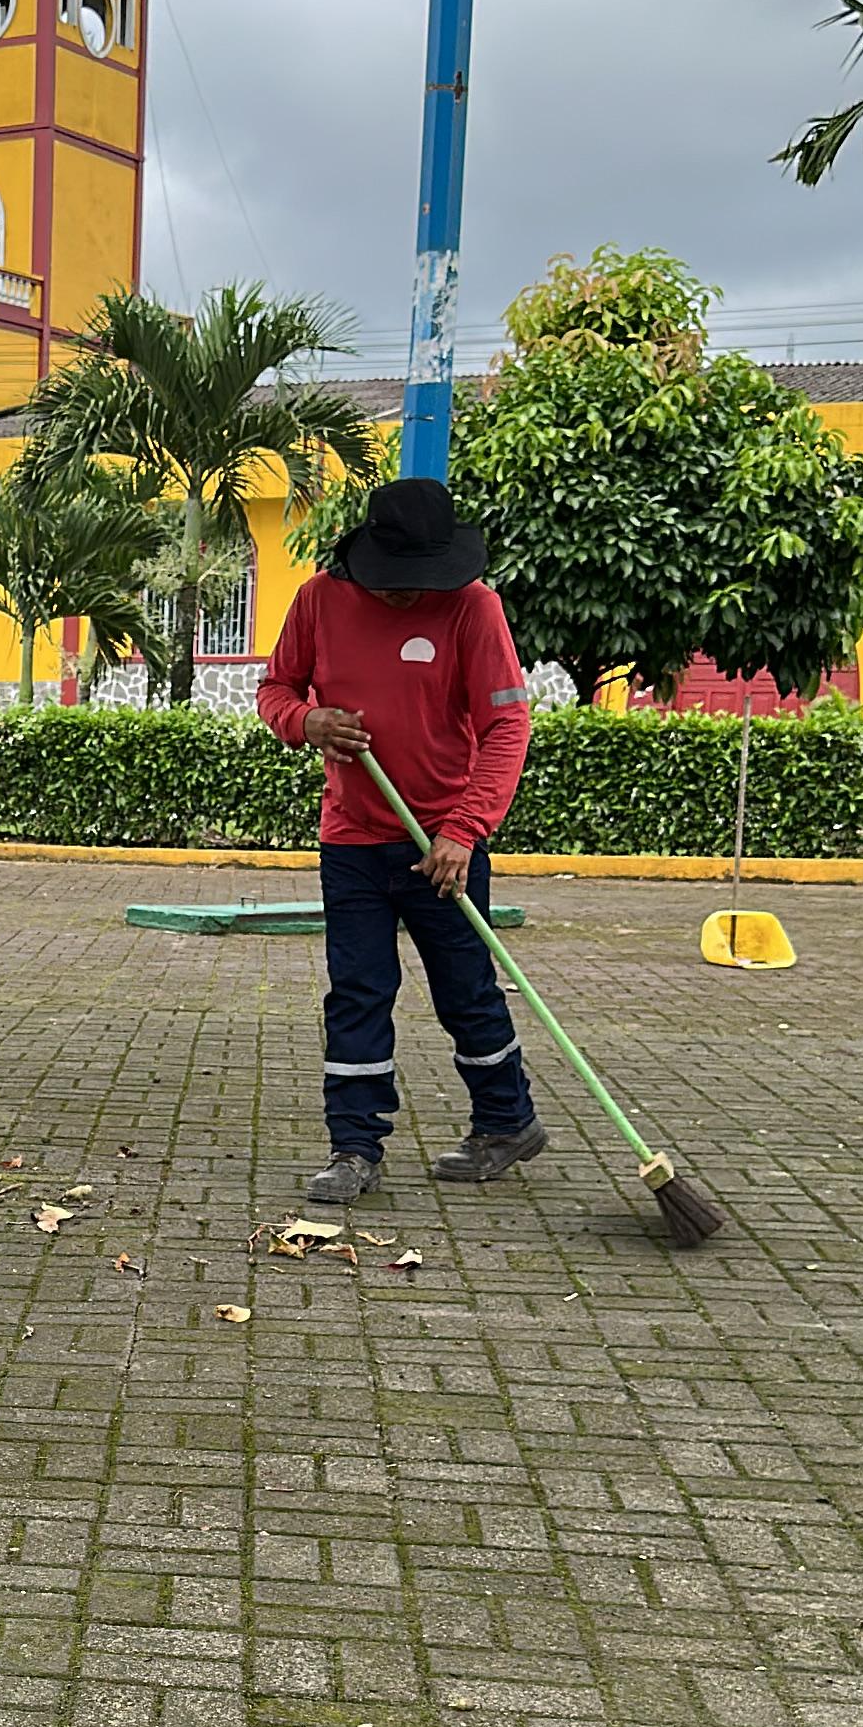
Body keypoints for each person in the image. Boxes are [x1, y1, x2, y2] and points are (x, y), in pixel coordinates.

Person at [257, 473, 543, 1206]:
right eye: (391, 579)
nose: (404, 593)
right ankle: (354, 1148)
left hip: (442, 843)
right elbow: (276, 690)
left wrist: (464, 830)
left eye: (420, 579)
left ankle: (506, 1122)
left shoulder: (473, 607)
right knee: (357, 992)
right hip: (352, 839)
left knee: (466, 990)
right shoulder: (319, 599)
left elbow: (507, 726)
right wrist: (307, 722)